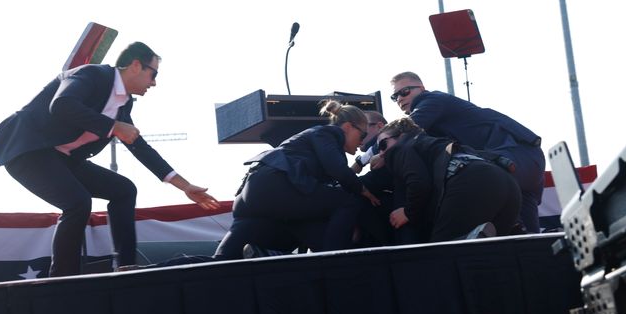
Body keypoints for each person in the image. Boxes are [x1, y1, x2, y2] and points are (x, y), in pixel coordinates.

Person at [0, 41, 219, 276]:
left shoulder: (123, 106)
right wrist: (113, 126)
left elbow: (141, 149)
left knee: (124, 190)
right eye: (153, 74)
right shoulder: (90, 75)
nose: (154, 83)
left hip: (63, 158)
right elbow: (62, 104)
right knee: (77, 202)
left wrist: (185, 186)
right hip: (28, 150)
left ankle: (126, 266)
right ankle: (62, 277)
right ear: (136, 65)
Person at [211, 100, 380, 260]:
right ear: (348, 127)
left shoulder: (308, 139)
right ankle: (332, 261)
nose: (362, 141)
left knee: (222, 261)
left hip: (251, 195)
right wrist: (362, 190)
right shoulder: (327, 133)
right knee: (347, 201)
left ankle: (189, 266)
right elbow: (337, 169)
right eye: (363, 134)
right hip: (276, 185)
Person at [390, 71, 545, 233]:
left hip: (513, 154)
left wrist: (366, 156)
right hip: (523, 160)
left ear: (421, 89)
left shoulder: (431, 100)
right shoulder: (431, 122)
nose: (400, 98)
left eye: (404, 91)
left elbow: (404, 130)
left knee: (477, 182)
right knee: (527, 236)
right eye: (395, 97)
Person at [376, 117, 521, 243]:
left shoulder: (401, 148)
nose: (381, 154)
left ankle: (471, 242)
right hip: (508, 182)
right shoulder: (435, 143)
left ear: (401, 136)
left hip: (469, 180)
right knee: (498, 255)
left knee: (443, 254)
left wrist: (408, 212)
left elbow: (419, 183)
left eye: (383, 145)